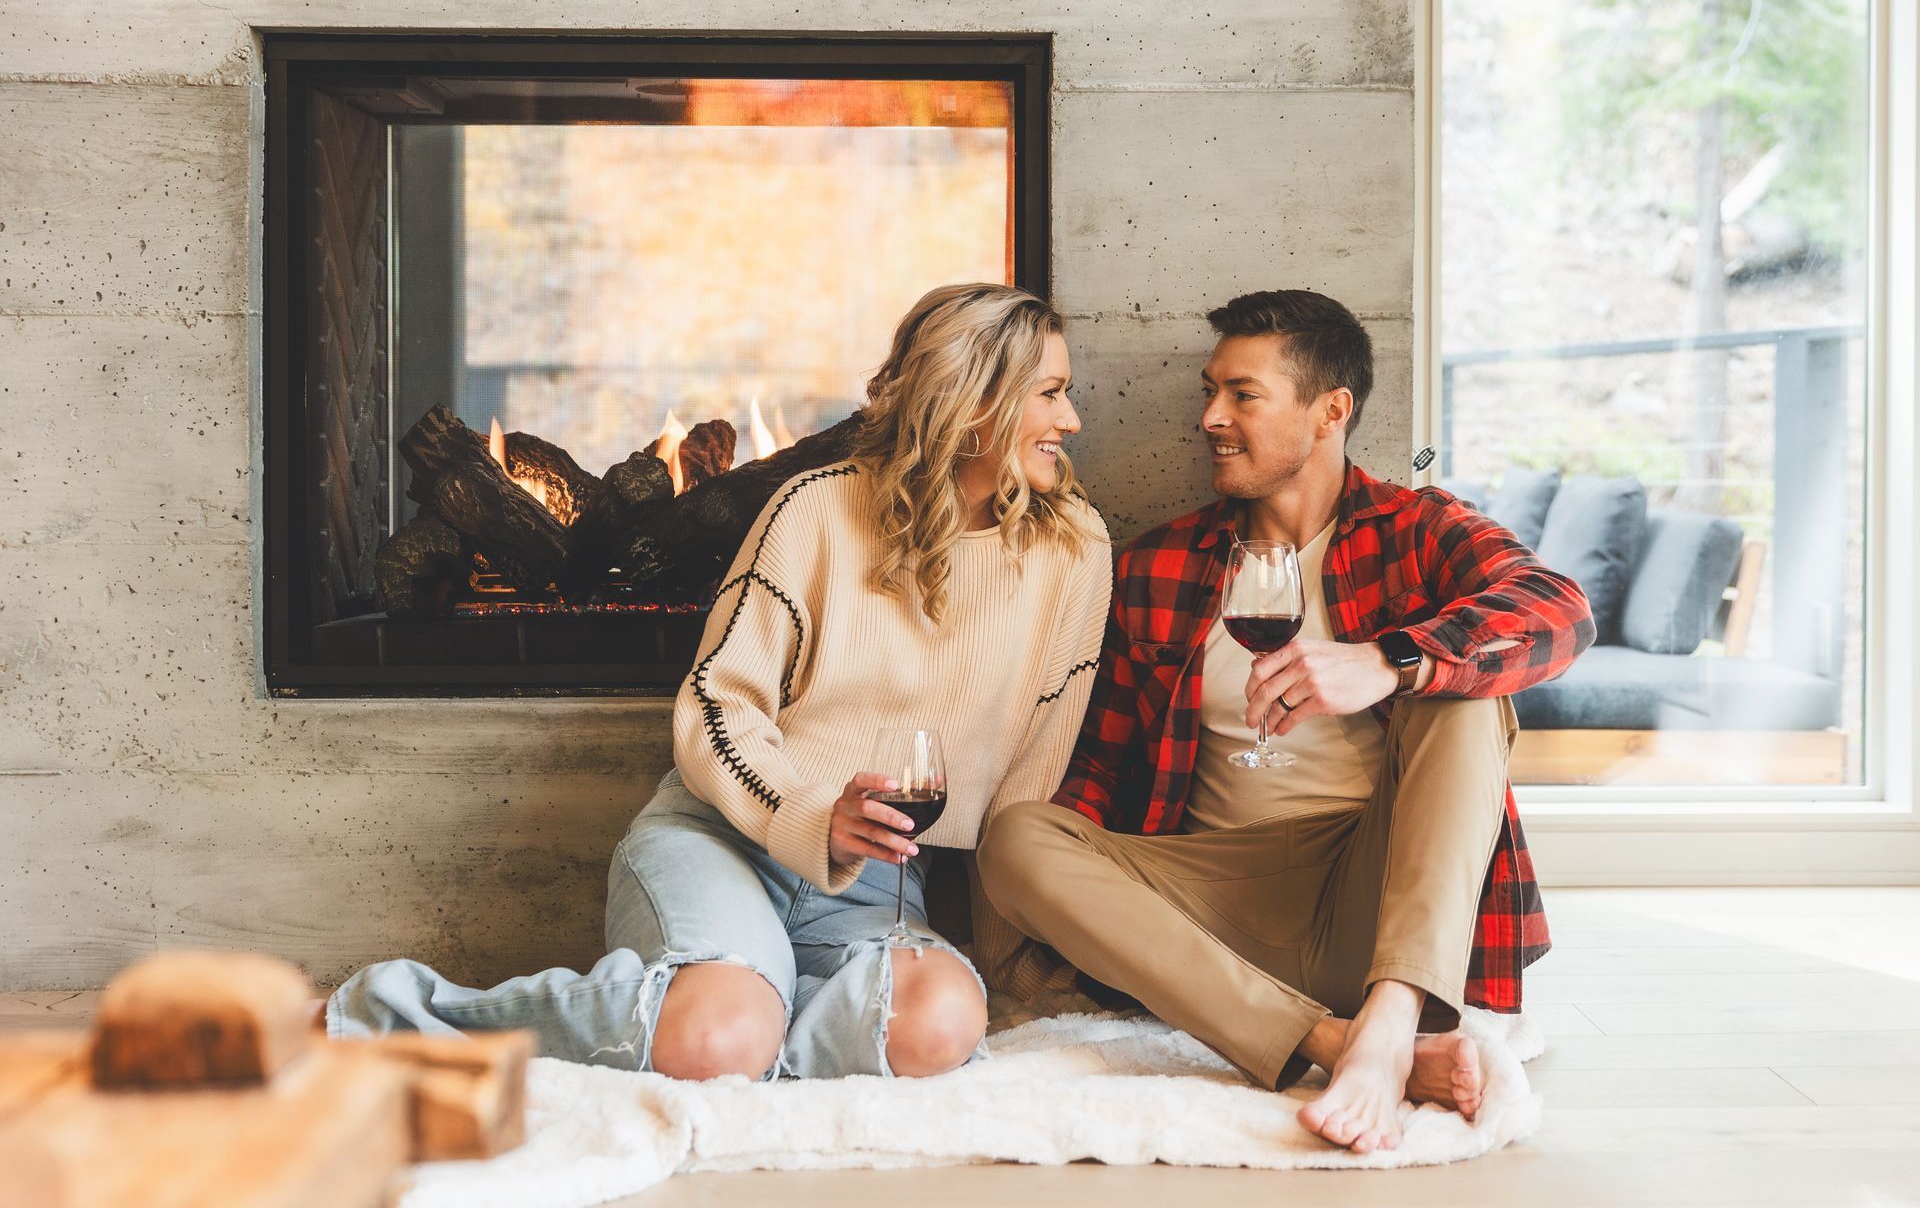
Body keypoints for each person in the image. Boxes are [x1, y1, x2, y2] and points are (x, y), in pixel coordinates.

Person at [330, 283, 1111, 1080]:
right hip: (725, 842)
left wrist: (1012, 965)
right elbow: (716, 706)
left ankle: (747, 1016)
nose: (1071, 420)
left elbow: (1025, 790)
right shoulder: (816, 509)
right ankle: (387, 1013)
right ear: (975, 399)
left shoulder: (1075, 551)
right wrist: (813, 817)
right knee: (720, 1036)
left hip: (880, 893)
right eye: (1049, 394)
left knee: (941, 1023)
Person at [977, 289, 1594, 1150]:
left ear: (1329, 412)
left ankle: (1392, 1018)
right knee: (1017, 836)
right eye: (1210, 392)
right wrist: (1040, 907)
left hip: (1375, 893)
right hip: (1210, 906)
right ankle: (1336, 1045)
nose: (1210, 418)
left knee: (1464, 696)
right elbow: (1100, 770)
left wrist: (1388, 661)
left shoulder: (1416, 531)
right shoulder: (1159, 565)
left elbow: (1558, 610)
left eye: (1243, 395)